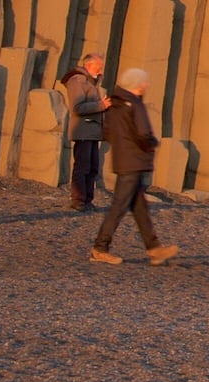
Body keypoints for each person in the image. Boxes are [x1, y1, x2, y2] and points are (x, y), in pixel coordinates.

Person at [91, 69, 179, 266]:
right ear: (137, 84)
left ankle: (154, 248)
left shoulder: (115, 103)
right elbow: (143, 133)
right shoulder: (135, 104)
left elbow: (107, 132)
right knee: (119, 206)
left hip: (124, 159)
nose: (146, 85)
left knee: (139, 207)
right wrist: (151, 144)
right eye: (144, 82)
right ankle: (100, 248)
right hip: (134, 160)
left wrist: (123, 146)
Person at [62, 53, 111, 211]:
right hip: (83, 130)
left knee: (93, 167)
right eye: (98, 66)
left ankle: (87, 200)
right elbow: (77, 108)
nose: (101, 70)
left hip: (93, 131)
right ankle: (78, 200)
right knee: (82, 167)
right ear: (88, 65)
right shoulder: (77, 80)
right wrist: (101, 105)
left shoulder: (91, 82)